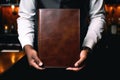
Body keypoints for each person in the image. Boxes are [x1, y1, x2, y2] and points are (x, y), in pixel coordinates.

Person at [17, 0, 106, 79]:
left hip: (80, 56)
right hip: (39, 58)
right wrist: (28, 47)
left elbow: (97, 16)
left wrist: (87, 47)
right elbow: (25, 17)